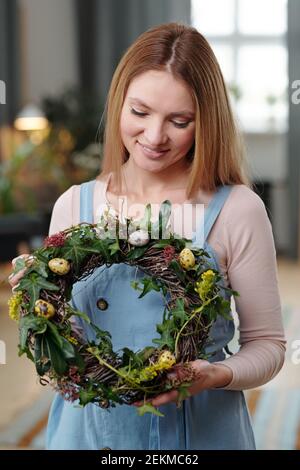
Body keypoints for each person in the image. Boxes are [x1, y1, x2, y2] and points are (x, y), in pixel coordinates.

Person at [9, 22, 286, 450]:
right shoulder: (74, 206)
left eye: (180, 121)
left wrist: (218, 374)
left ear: (206, 122)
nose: (155, 137)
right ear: (119, 102)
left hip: (200, 435)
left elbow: (267, 346)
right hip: (87, 436)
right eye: (139, 113)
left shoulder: (236, 210)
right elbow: (60, 348)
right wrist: (34, 301)